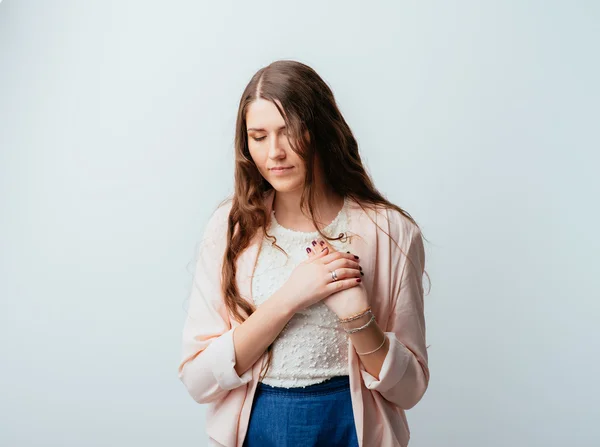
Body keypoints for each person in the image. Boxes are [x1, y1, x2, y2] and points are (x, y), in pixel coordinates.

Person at [177, 59, 430, 447]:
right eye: (258, 136)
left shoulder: (391, 232)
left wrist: (358, 319)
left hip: (350, 429)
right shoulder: (230, 227)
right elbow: (198, 381)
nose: (274, 152)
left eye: (289, 131)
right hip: (257, 430)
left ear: (321, 131)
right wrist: (290, 298)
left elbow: (410, 390)